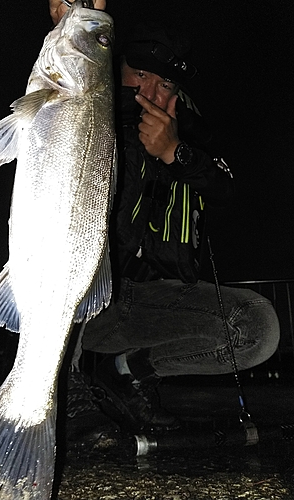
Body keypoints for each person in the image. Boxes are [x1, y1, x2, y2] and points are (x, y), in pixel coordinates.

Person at [50, 0, 280, 444]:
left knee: (258, 328)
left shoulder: (186, 134)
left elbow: (226, 186)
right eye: (140, 76)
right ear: (115, 69)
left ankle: (124, 373)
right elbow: (63, 80)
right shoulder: (91, 111)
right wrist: (70, 28)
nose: (150, 93)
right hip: (90, 295)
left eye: (165, 83)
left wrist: (175, 152)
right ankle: (70, 389)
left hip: (153, 301)